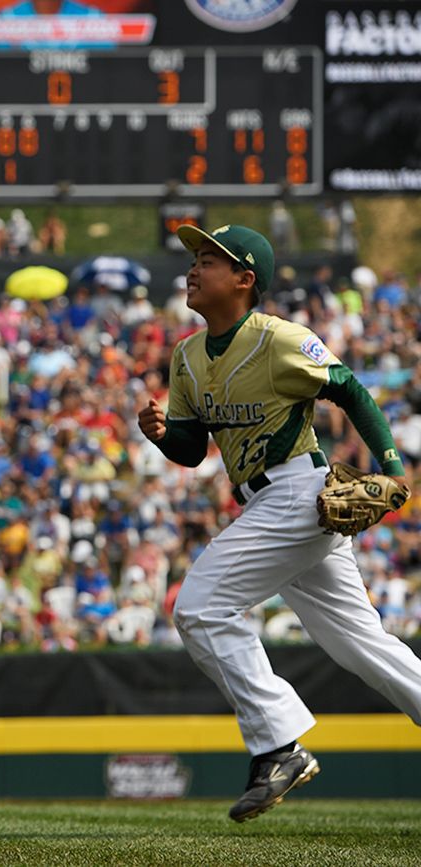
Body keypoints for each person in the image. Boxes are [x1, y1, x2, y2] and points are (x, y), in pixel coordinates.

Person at [137, 223, 421, 823]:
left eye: (209, 259)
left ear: (245, 279)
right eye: (194, 257)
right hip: (269, 502)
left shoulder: (278, 339)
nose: (193, 267)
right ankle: (280, 744)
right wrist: (165, 437)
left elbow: (351, 392)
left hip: (298, 491)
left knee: (199, 608)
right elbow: (193, 449)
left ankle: (279, 745)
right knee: (359, 643)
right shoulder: (187, 355)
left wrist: (395, 467)